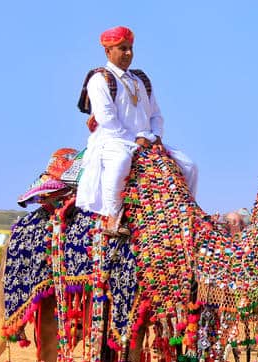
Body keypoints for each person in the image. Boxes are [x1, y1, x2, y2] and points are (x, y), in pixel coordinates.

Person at [75, 26, 199, 234]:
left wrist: (156, 136)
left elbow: (156, 115)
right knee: (121, 162)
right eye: (122, 48)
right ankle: (112, 217)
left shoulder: (141, 80)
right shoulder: (99, 79)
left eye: (130, 48)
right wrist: (135, 140)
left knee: (189, 166)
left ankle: (187, 216)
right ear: (108, 51)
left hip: (147, 140)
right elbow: (107, 119)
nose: (128, 53)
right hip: (113, 141)